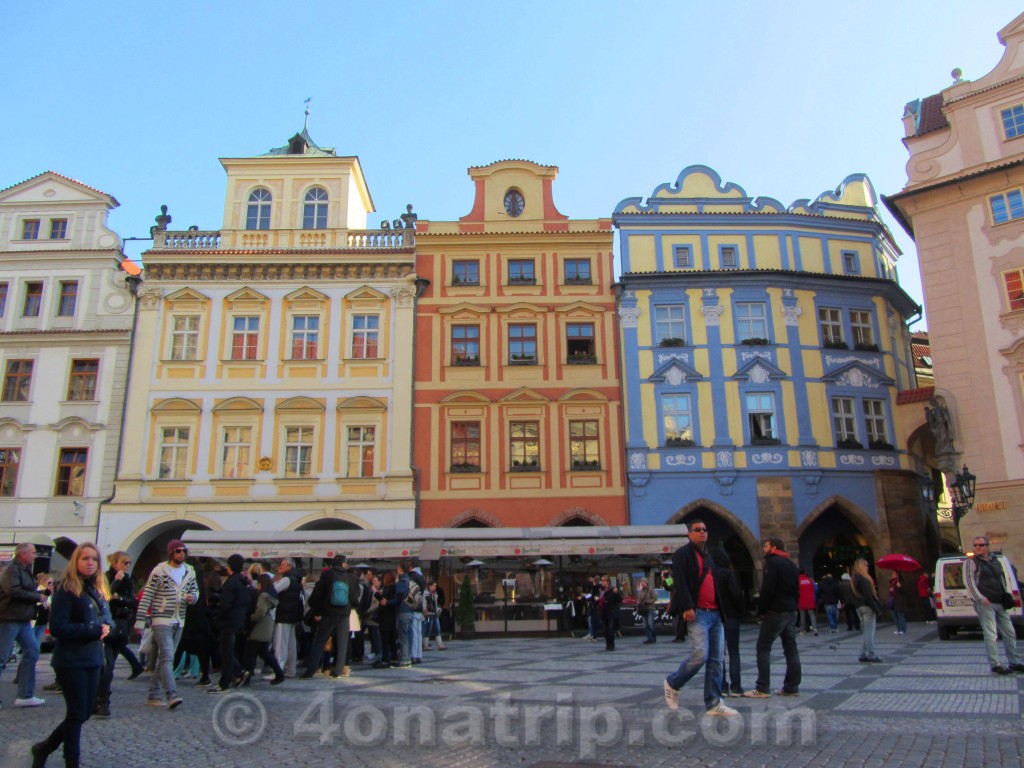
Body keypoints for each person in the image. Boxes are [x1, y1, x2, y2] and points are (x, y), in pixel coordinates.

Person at [31, 542, 112, 768]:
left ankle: (44, 748)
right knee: (76, 713)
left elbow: (106, 618)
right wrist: (93, 630)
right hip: (71, 660)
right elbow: (58, 628)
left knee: (84, 713)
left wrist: (108, 627)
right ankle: (71, 761)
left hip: (94, 658)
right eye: (85, 558)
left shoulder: (97, 589)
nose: (89, 563)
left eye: (94, 559)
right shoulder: (67, 589)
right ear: (76, 561)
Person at [661, 519, 737, 717]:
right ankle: (673, 682)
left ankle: (714, 702)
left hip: (715, 613)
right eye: (698, 530)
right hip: (698, 613)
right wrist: (687, 606)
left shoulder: (708, 555)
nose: (702, 532)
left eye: (705, 529)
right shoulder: (682, 554)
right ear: (689, 534)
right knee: (700, 656)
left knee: (717, 660)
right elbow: (681, 581)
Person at [136, 539, 198, 708]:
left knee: (164, 658)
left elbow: (194, 590)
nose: (182, 554)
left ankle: (153, 694)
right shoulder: (160, 571)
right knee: (168, 656)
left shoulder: (189, 571)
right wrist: (140, 620)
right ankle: (172, 694)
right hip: (161, 619)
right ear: (171, 552)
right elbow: (147, 595)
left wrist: (193, 598)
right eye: (178, 551)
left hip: (180, 619)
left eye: (184, 551)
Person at [744, 537, 801, 698]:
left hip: (776, 611)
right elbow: (797, 590)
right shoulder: (790, 564)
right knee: (791, 649)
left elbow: (768, 589)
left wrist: (761, 609)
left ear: (774, 547)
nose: (763, 549)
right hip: (790, 610)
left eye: (766, 546)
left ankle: (762, 687)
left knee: (763, 647)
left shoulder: (773, 562)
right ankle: (792, 687)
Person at [963, 536, 1024, 675]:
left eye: (981, 545)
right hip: (985, 603)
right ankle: (995, 664)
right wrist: (979, 598)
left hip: (999, 601)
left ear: (987, 546)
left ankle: (1014, 661)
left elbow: (1000, 578)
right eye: (975, 545)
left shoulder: (995, 560)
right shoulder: (970, 562)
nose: (977, 547)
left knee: (1009, 632)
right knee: (991, 634)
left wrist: (1005, 594)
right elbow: (969, 582)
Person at [94, 551, 144, 717]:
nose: (127, 566)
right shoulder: (105, 577)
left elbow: (133, 601)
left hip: (121, 624)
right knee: (106, 664)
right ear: (114, 563)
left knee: (109, 664)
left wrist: (120, 599)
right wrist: (115, 584)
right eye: (124, 562)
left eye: (129, 562)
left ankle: (101, 700)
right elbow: (105, 596)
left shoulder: (128, 580)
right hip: (106, 623)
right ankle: (101, 701)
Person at [0, 541, 47, 709]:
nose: (36, 555)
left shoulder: (25, 569)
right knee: (1, 657)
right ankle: (25, 694)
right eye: (33, 552)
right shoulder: (12, 570)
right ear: (23, 554)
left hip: (22, 618)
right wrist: (36, 597)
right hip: (9, 618)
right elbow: (12, 591)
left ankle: (25, 695)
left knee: (32, 651)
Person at [300, 554, 360, 679]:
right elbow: (355, 599)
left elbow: (317, 594)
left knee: (319, 642)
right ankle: (337, 670)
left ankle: (310, 670)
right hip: (344, 614)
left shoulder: (327, 575)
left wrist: (317, 610)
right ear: (343, 564)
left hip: (328, 613)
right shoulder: (350, 577)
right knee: (342, 642)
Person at [209, 554, 249, 693]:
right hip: (238, 620)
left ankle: (225, 682)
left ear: (230, 566)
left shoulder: (231, 582)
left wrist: (218, 618)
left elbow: (225, 605)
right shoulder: (243, 582)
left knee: (225, 651)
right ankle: (238, 672)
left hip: (228, 621)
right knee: (227, 650)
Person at [239, 574, 285, 686]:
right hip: (267, 628)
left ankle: (246, 678)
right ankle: (279, 674)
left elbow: (260, 612)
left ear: (261, 584)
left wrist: (251, 618)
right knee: (265, 653)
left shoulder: (263, 596)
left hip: (259, 628)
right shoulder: (271, 596)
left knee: (249, 654)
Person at [711, 550, 743, 697]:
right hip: (731, 616)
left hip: (716, 616)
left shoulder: (711, 575)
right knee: (734, 652)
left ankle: (722, 685)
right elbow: (736, 594)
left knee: (719, 653)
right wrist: (739, 610)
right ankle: (736, 686)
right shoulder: (729, 574)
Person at [272, 558, 304, 678]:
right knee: (291, 644)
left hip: (283, 614)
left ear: (289, 567)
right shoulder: (296, 579)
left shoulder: (287, 579)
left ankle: (278, 670)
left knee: (280, 643)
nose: (280, 566)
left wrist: (275, 579)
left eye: (283, 565)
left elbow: (273, 590)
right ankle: (291, 669)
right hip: (293, 615)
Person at [850, 558, 883, 663]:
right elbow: (868, 596)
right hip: (867, 606)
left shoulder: (854, 578)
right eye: (865, 565)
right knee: (870, 632)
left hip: (859, 607)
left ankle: (862, 654)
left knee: (865, 631)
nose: (867, 567)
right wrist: (876, 609)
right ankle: (871, 654)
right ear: (860, 566)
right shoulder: (863, 579)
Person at [598, 575, 621, 651]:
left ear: (608, 582)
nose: (602, 582)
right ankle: (608, 645)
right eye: (602, 580)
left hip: (611, 613)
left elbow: (619, 600)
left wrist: (616, 593)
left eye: (604, 580)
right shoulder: (602, 591)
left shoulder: (613, 590)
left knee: (610, 630)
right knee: (605, 630)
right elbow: (600, 602)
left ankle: (611, 645)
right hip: (603, 613)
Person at [424, 580, 447, 651]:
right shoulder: (426, 594)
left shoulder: (434, 594)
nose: (435, 587)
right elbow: (427, 605)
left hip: (434, 613)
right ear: (429, 586)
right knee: (427, 629)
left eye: (435, 586)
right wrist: (426, 609)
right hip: (428, 614)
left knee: (437, 629)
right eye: (433, 586)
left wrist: (437, 609)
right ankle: (425, 645)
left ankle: (440, 644)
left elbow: (434, 604)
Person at [637, 577, 658, 644]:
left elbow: (655, 598)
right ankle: (649, 638)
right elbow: (639, 600)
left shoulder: (650, 590)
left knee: (650, 623)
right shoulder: (640, 591)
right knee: (645, 625)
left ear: (646, 583)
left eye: (643, 582)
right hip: (643, 610)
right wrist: (639, 605)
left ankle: (653, 637)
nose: (642, 583)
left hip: (650, 608)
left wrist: (648, 601)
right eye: (641, 582)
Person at [797, 568, 817, 635]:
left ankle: (803, 630)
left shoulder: (798, 581)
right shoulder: (810, 580)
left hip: (801, 599)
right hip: (810, 599)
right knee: (812, 615)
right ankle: (815, 628)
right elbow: (815, 589)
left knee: (802, 616)